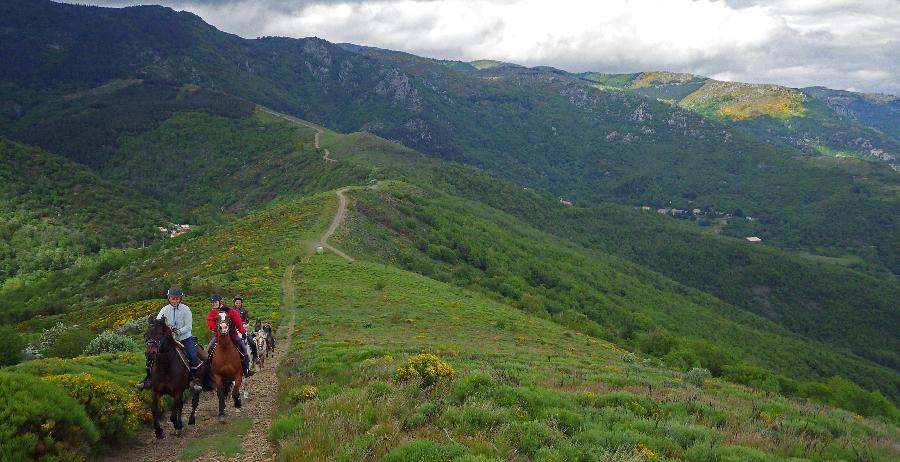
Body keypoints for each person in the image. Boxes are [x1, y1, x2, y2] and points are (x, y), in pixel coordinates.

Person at [138, 287, 202, 392]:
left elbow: (189, 326)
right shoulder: (164, 310)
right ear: (169, 298)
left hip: (184, 338)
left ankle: (193, 380)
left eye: (177, 299)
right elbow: (159, 323)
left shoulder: (186, 309)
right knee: (152, 354)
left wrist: (177, 331)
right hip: (169, 339)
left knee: (192, 355)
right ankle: (148, 379)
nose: (175, 301)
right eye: (173, 298)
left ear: (180, 299)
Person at [205, 294, 254, 376]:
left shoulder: (229, 310)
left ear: (219, 302)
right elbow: (210, 323)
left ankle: (246, 370)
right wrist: (218, 329)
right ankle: (209, 372)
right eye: (212, 302)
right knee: (207, 352)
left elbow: (238, 321)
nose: (214, 304)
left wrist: (242, 331)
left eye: (215, 302)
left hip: (232, 334)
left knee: (244, 350)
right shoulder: (212, 313)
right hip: (218, 336)